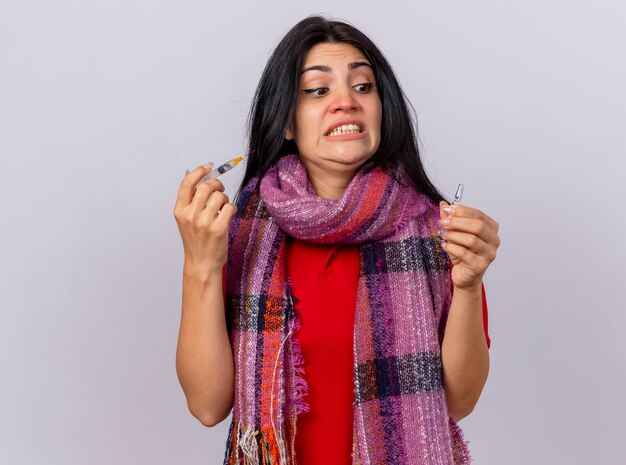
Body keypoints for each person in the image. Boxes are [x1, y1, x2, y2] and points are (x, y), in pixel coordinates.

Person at [174, 15, 500, 465]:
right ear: (287, 122)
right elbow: (207, 405)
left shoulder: (437, 230)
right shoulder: (241, 233)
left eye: (363, 86)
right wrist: (200, 263)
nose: (346, 102)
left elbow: (460, 401)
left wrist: (466, 283)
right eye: (318, 90)